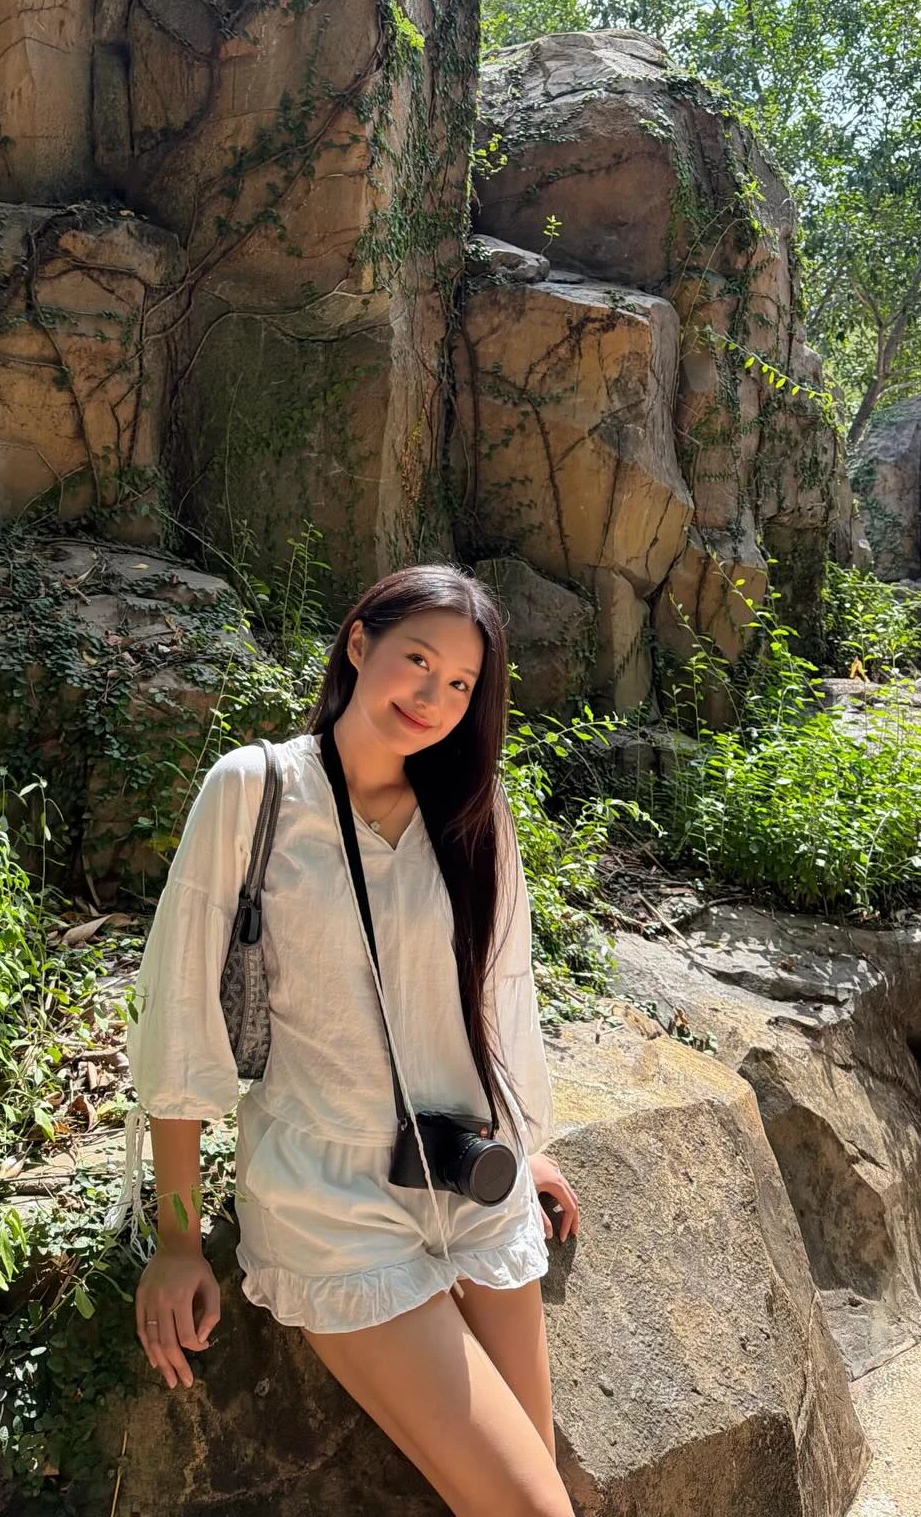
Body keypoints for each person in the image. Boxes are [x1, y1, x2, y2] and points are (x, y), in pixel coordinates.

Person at [112, 563, 582, 1517]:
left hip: (467, 1179)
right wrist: (178, 1239)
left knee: (524, 1493)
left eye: (462, 684)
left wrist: (523, 1141)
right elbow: (180, 1022)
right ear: (360, 644)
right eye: (420, 661)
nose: (434, 697)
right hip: (334, 1201)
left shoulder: (472, 810)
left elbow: (502, 993)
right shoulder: (257, 790)